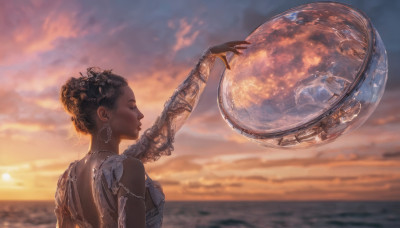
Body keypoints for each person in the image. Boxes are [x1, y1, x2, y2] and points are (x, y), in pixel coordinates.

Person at [54, 41, 249, 228]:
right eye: (131, 107)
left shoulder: (67, 180)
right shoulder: (128, 168)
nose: (140, 114)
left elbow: (165, 124)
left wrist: (207, 61)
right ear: (104, 114)